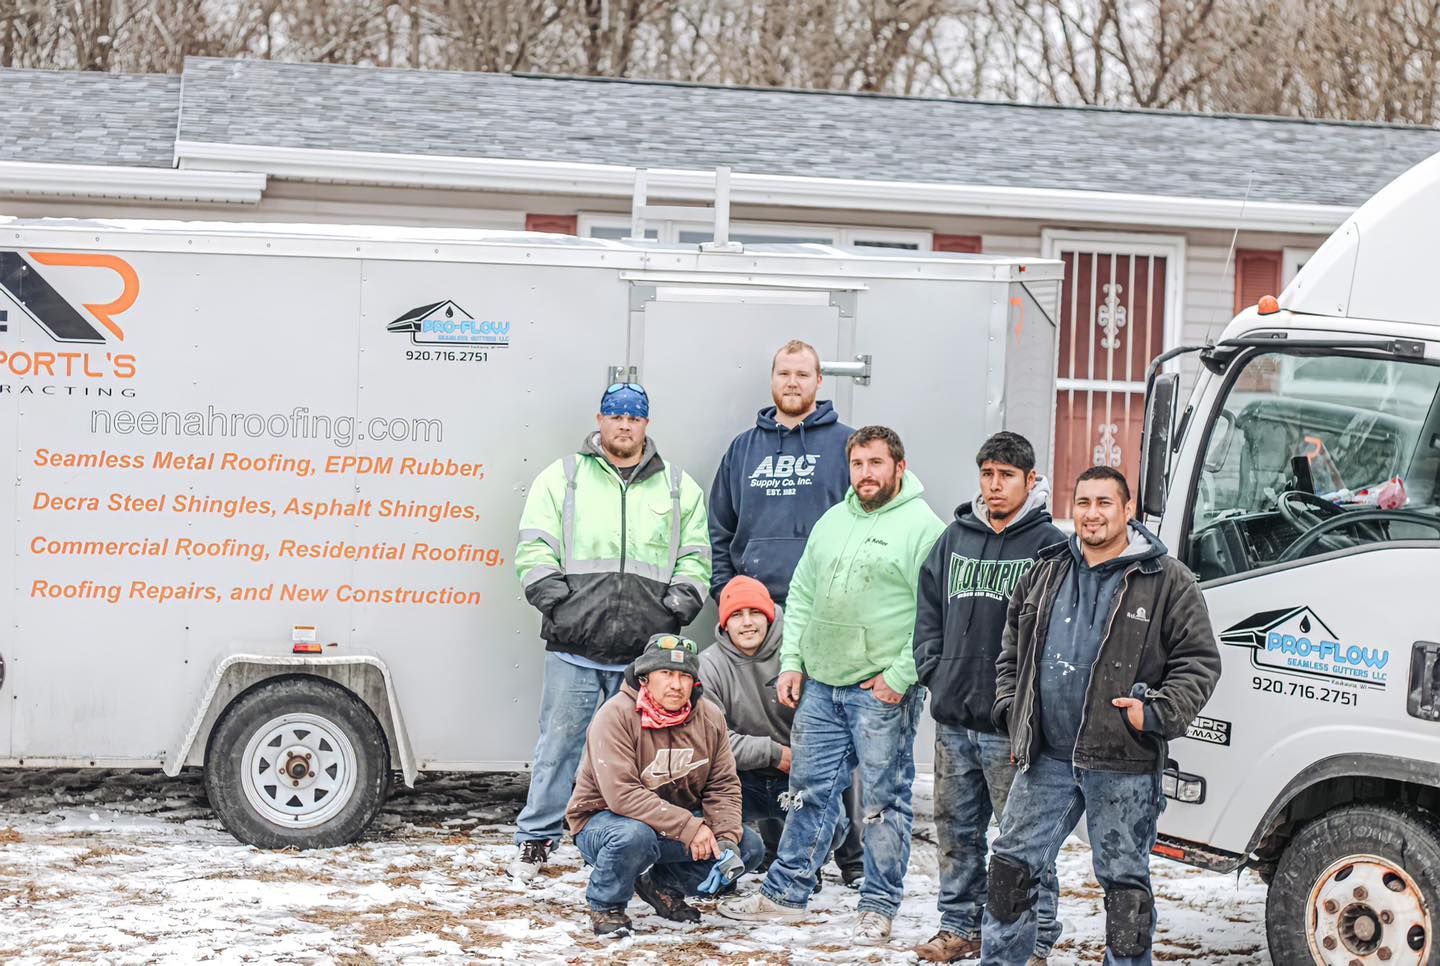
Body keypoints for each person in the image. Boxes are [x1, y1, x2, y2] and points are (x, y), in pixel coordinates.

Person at [981, 467, 1221, 966]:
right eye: (1084, 501)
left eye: (1105, 503)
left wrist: (1153, 714)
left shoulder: (1165, 579)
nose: (1092, 513)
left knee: (1125, 893)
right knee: (1009, 873)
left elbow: (1199, 662)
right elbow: (1011, 650)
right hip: (1045, 757)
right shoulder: (1046, 571)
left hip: (1122, 760)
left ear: (1127, 510)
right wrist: (1011, 707)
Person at [718, 426, 946, 945]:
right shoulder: (832, 520)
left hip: (881, 691)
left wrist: (900, 676)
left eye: (876, 463)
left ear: (899, 467)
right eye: (858, 463)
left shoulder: (923, 529)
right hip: (821, 685)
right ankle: (786, 894)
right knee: (807, 793)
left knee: (883, 800)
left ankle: (879, 904)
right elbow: (800, 595)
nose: (866, 474)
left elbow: (936, 617)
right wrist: (794, 661)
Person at [510, 382, 711, 881]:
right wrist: (557, 604)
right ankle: (537, 838)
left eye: (635, 417)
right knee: (559, 745)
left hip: (642, 660)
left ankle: (631, 838)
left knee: (646, 755)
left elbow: (697, 557)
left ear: (647, 424)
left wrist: (676, 608)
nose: (625, 425)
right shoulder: (563, 478)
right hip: (575, 648)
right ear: (600, 419)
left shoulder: (678, 487)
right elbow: (533, 548)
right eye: (616, 416)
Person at [708, 339, 866, 887]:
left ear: (820, 381)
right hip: (755, 613)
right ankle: (770, 837)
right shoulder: (743, 450)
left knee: (828, 733)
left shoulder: (847, 446)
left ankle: (853, 857)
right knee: (756, 724)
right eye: (783, 373)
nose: (792, 382)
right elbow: (720, 530)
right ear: (772, 379)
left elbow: (862, 526)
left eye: (803, 374)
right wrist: (731, 598)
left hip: (823, 620)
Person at [911, 432, 1065, 964]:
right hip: (954, 718)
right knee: (956, 831)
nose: (995, 485)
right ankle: (958, 925)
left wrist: (1032, 703)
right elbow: (928, 605)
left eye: (1006, 475)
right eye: (987, 474)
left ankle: (1037, 936)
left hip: (1010, 727)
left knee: (1022, 840)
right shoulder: (956, 537)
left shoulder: (1050, 546)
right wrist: (934, 668)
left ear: (1030, 480)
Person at [567, 633, 766, 938]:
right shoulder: (615, 715)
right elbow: (622, 794)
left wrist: (724, 838)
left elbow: (723, 784)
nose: (676, 684)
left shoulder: (710, 717)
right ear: (644, 678)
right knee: (633, 835)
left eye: (685, 676)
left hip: (670, 827)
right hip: (604, 823)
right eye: (666, 674)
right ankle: (607, 904)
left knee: (747, 846)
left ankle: (662, 887)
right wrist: (690, 827)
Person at [698, 575, 848, 874]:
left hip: (797, 774)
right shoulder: (708, 665)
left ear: (770, 616)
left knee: (834, 826)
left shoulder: (799, 654)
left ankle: (805, 865)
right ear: (725, 623)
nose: (747, 623)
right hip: (740, 778)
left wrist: (803, 760)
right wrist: (774, 753)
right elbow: (711, 741)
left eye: (755, 613)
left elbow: (832, 722)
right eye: (737, 615)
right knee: (703, 813)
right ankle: (722, 869)